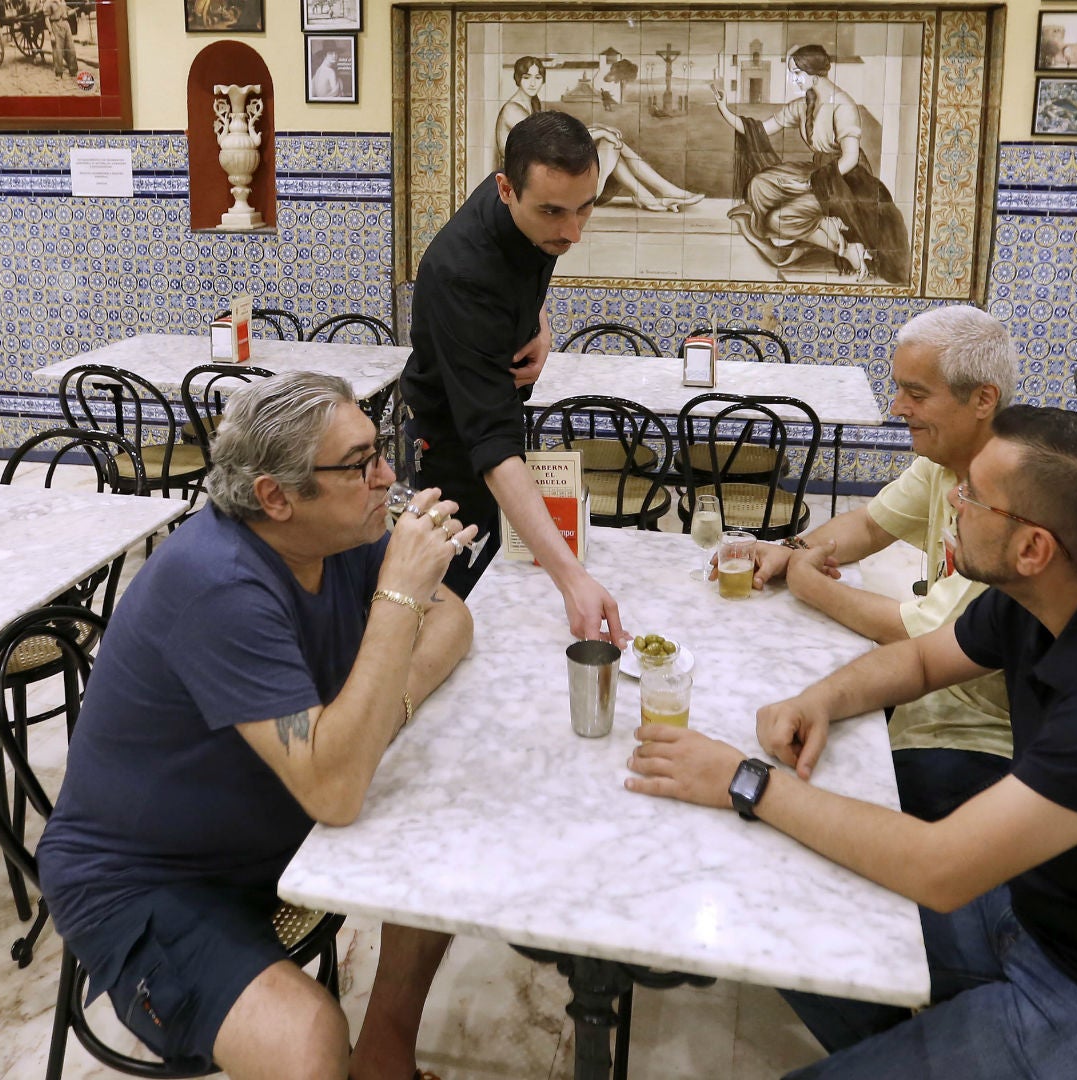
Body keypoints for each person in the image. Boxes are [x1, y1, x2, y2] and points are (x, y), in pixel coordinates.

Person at [629, 406, 1077, 1080]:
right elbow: (921, 662)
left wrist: (746, 781)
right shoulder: (1050, 595)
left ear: (1033, 547)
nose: (955, 498)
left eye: (974, 495)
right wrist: (819, 699)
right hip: (1055, 915)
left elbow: (939, 868)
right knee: (787, 905)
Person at [38, 374, 477, 1080]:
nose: (387, 477)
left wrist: (387, 707)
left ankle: (385, 1059)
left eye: (382, 451)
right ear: (275, 495)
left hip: (269, 832)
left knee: (444, 844)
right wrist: (398, 598)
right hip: (144, 880)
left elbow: (453, 619)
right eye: (361, 462)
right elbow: (334, 793)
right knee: (309, 1039)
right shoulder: (218, 584)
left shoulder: (337, 533)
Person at [739, 306, 1016, 821]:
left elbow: (919, 639)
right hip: (915, 694)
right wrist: (793, 551)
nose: (897, 407)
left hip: (978, 737)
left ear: (983, 399)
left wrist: (809, 583)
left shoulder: (1010, 504)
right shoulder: (942, 464)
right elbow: (869, 525)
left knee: (793, 789)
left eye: (916, 393)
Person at [403, 109, 628, 643]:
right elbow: (491, 443)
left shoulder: (535, 207)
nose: (572, 232)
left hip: (492, 419)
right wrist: (572, 580)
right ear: (505, 190)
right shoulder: (463, 274)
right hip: (448, 450)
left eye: (585, 208)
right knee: (454, 615)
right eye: (553, 212)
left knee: (503, 587)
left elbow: (525, 271)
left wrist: (538, 323)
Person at [711, 44, 910, 284]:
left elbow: (850, 159)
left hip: (844, 180)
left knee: (779, 219)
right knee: (759, 185)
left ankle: (846, 248)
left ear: (814, 75)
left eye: (796, 73)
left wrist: (812, 183)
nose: (792, 79)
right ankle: (824, 224)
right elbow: (760, 130)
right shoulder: (804, 105)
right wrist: (724, 109)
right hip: (818, 171)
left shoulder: (843, 106)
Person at [492, 56, 703, 214]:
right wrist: (600, 131)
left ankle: (653, 196)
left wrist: (601, 128)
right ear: (517, 79)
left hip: (546, 176)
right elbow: (554, 144)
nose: (532, 82)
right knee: (610, 143)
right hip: (533, 186)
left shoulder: (531, 105)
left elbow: (559, 134)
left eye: (538, 77)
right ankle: (659, 193)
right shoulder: (513, 110)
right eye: (527, 77)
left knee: (613, 144)